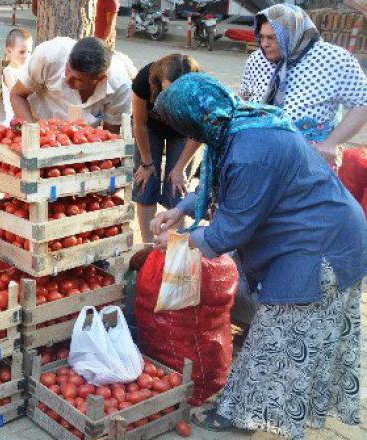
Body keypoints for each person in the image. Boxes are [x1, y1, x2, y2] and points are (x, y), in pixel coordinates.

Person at [151, 73, 366, 440]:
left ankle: (244, 416)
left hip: (317, 247)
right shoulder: (240, 120)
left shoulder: (251, 151)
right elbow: (219, 179)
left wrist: (180, 240)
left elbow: (231, 231)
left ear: (195, 120)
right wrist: (184, 208)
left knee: (279, 340)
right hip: (323, 231)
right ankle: (255, 410)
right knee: (287, 339)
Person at [239, 4, 367, 164]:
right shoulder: (257, 60)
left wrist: (332, 143)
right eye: (261, 36)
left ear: (294, 33)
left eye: (272, 37)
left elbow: (363, 103)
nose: (264, 44)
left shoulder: (334, 59)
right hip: (261, 156)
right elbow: (243, 98)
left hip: (310, 161)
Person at [131, 54, 202, 243]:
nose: (174, 96)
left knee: (177, 187)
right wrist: (146, 163)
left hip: (183, 132)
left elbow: (199, 132)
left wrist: (179, 168)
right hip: (150, 129)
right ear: (161, 80)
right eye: (169, 89)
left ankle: (175, 245)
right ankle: (147, 245)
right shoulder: (144, 78)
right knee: (145, 182)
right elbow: (139, 124)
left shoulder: (200, 89)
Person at [9, 36, 136, 133]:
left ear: (100, 79)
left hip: (82, 144)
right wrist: (34, 133)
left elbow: (111, 133)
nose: (67, 80)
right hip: (38, 128)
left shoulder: (120, 87)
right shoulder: (49, 56)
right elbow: (17, 95)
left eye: (78, 79)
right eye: (68, 70)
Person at [1, 28, 33, 125]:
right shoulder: (9, 72)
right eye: (22, 52)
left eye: (29, 52)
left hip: (29, 118)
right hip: (15, 122)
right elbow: (17, 95)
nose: (26, 56)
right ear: (9, 51)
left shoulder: (28, 70)